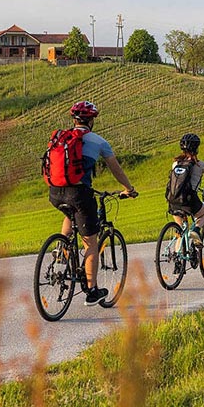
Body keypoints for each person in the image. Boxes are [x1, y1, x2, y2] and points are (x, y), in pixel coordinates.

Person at [48, 101, 138, 306]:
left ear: (74, 120)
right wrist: (129, 189)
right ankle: (92, 291)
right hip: (79, 194)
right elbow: (116, 170)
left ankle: (62, 249)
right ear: (92, 120)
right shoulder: (98, 141)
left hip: (55, 193)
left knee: (69, 214)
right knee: (91, 242)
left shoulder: (61, 138)